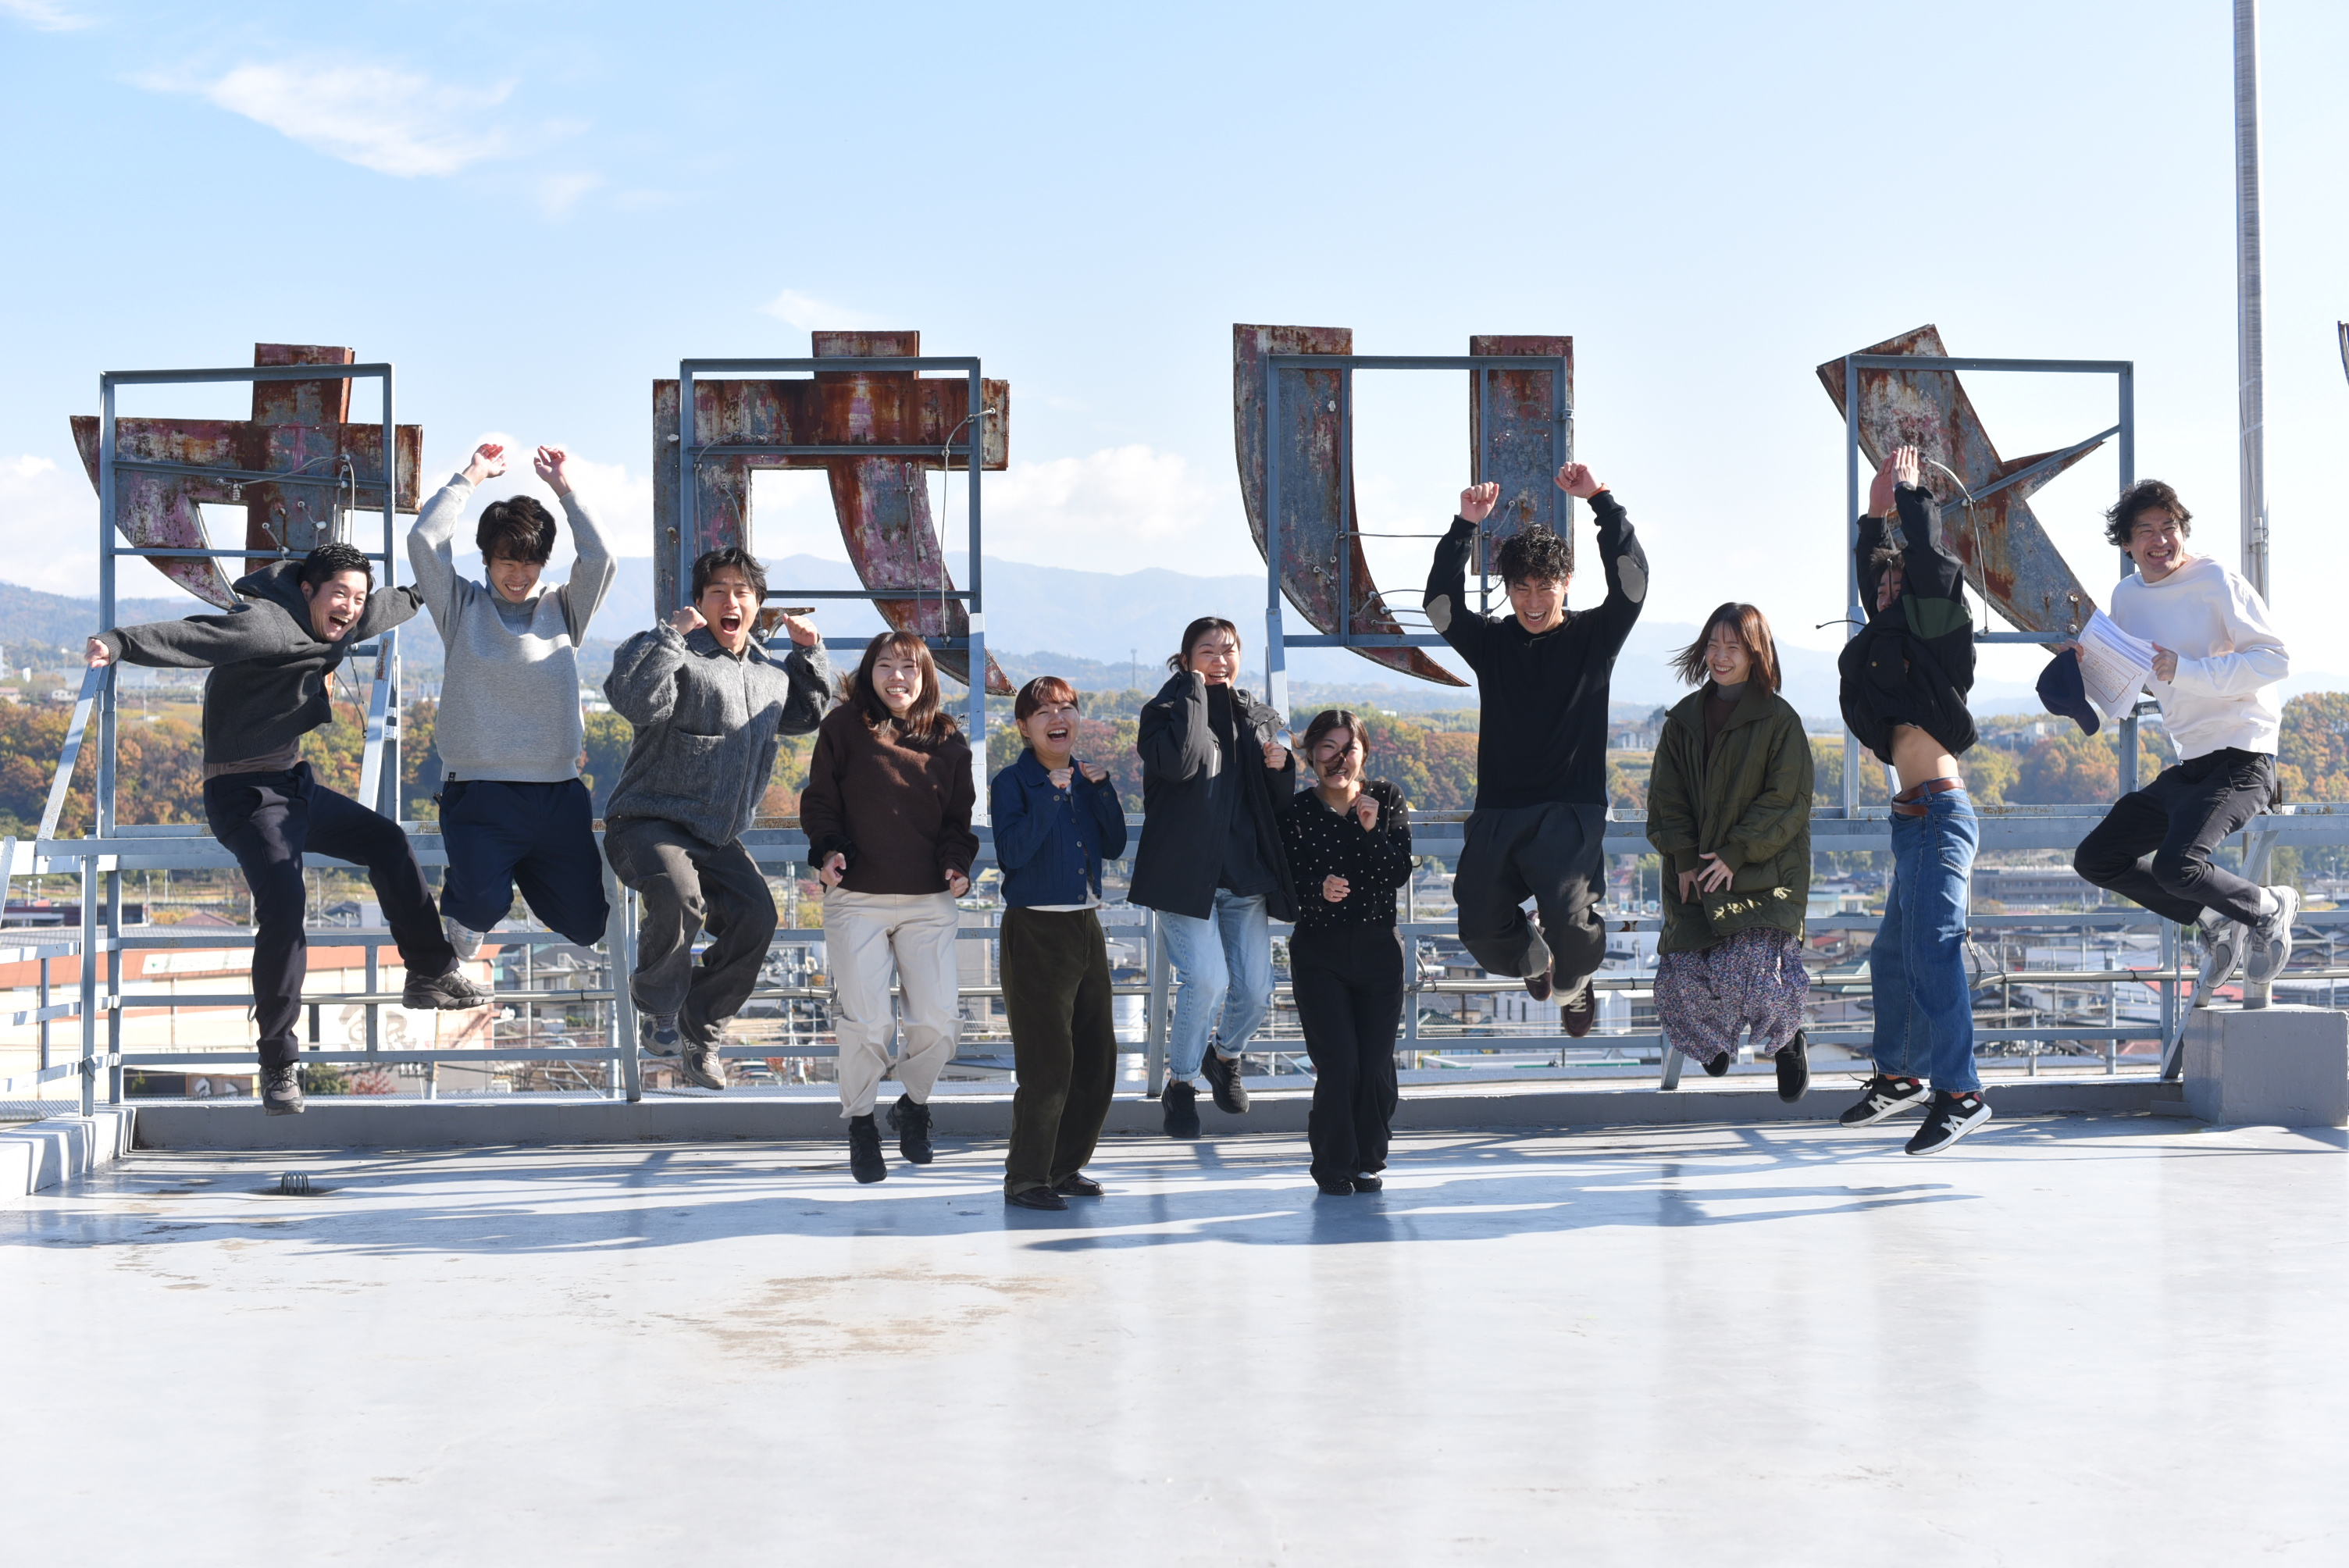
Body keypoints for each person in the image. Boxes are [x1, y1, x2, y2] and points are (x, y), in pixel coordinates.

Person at [86, 543, 489, 1117]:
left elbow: (389, 606)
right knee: (284, 904)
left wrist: (429, 587)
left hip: (294, 786)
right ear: (307, 590)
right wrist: (118, 642)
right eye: (339, 595)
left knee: (387, 841)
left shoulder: (349, 615)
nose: (350, 607)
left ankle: (429, 970)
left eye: (357, 597)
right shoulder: (265, 626)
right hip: (243, 795)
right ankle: (278, 1061)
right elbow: (194, 637)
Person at [1424, 462, 1648, 1037]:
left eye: (1544, 586)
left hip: (1570, 810)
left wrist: (1601, 500)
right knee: (1478, 923)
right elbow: (1441, 607)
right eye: (1520, 587)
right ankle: (1530, 958)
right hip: (1500, 807)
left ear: (1566, 581)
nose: (1531, 600)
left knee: (1571, 925)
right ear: (1508, 588)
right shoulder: (1493, 642)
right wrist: (1464, 526)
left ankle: (1573, 983)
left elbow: (1632, 581)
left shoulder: (1595, 637)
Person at [602, 547, 830, 1092]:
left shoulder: (770, 674)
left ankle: (699, 1030)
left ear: (757, 605)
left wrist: (809, 654)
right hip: (647, 823)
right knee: (680, 895)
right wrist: (669, 636)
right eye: (717, 591)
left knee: (758, 918)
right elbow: (633, 699)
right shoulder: (679, 655)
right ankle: (659, 1009)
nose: (731, 601)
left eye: (742, 592)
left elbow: (808, 713)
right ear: (699, 604)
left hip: (717, 836)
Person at [2070, 480, 2297, 1000]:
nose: (2160, 540)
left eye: (2169, 527)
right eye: (2145, 531)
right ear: (2126, 544)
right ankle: (2214, 919)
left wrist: (2187, 670)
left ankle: (2269, 907)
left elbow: (2275, 660)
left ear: (2182, 531)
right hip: (2191, 763)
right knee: (2097, 858)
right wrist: (2085, 665)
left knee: (2178, 865)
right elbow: (2127, 682)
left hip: (2244, 756)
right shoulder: (2126, 597)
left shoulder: (2215, 578)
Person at [1835, 447, 1990, 1154]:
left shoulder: (1937, 636)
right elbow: (1878, 580)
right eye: (1883, 586)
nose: (1888, 592)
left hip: (1940, 813)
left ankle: (1961, 1091)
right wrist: (1872, 519)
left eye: (1901, 585)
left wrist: (1909, 497)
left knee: (1934, 950)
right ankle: (1900, 1075)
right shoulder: (1886, 639)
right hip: (1913, 818)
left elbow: (1931, 566)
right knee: (1893, 957)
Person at [407, 440, 615, 960]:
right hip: (480, 793)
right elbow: (424, 540)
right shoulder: (461, 607)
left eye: (531, 563)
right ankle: (477, 904)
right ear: (487, 559)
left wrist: (565, 489)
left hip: (557, 793)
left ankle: (517, 876)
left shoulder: (564, 609)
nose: (518, 575)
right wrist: (472, 476)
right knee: (479, 906)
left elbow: (601, 558)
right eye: (506, 562)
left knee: (587, 925)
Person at [800, 631, 980, 1185]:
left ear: (926, 677)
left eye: (909, 667)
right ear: (868, 672)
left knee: (939, 1022)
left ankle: (913, 1105)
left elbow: (958, 822)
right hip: (857, 898)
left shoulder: (948, 740)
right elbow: (820, 803)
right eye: (885, 666)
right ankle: (861, 1125)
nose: (896, 677)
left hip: (929, 900)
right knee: (868, 1023)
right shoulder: (842, 728)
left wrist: (956, 865)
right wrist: (828, 852)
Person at [1127, 616, 1298, 1139]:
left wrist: (1282, 768)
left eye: (1229, 650)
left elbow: (1275, 806)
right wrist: (1193, 693)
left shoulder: (1259, 717)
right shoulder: (1162, 713)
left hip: (1245, 876)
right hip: (1183, 878)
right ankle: (1181, 1085)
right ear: (1185, 660)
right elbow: (1180, 764)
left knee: (1257, 990)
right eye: (1208, 651)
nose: (1221, 660)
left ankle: (1224, 1058)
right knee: (1206, 980)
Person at [1645, 604, 1815, 1102]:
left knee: (1753, 972)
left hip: (1763, 876)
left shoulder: (1780, 721)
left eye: (1733, 647)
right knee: (1677, 979)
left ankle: (1787, 1041)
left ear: (1756, 653)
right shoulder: (1683, 720)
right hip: (1696, 876)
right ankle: (1712, 1043)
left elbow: (1787, 800)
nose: (1720, 656)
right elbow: (1666, 796)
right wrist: (1682, 856)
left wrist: (1737, 853)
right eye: (1713, 645)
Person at [990, 676, 1128, 1211]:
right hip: (1035, 929)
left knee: (1098, 1060)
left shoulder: (1086, 778)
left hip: (1085, 925)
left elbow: (1113, 844)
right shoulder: (1013, 783)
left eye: (1067, 708)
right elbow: (1013, 853)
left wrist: (1103, 790)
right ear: (1024, 727)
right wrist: (1052, 794)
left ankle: (1064, 1167)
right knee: (1047, 1065)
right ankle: (1026, 1178)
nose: (1058, 717)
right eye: (1044, 711)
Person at [1278, 709, 1413, 1196]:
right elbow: (1285, 885)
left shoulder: (1387, 798)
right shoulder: (1295, 811)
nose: (1339, 759)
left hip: (1379, 949)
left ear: (1364, 753)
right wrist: (1318, 890)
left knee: (1375, 1063)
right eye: (1328, 748)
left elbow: (1398, 872)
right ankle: (1333, 1164)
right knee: (1338, 1063)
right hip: (1320, 951)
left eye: (1348, 748)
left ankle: (1368, 1161)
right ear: (1311, 755)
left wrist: (1372, 831)